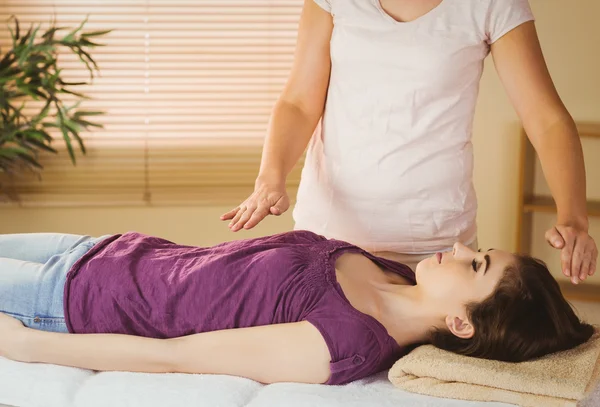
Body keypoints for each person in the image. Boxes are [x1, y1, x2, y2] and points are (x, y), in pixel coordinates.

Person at [220, 0, 597, 283]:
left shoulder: (490, 3)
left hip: (435, 257)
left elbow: (545, 119)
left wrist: (573, 218)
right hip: (326, 240)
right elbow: (299, 103)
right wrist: (269, 178)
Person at [0, 232, 594, 385]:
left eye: (476, 266)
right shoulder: (391, 271)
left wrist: (28, 345)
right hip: (102, 251)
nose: (462, 248)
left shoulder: (347, 340)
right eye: (480, 249)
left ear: (462, 323)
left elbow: (174, 357)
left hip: (70, 301)